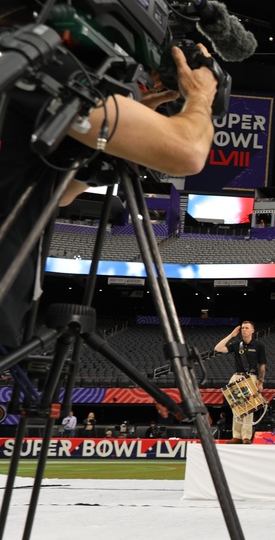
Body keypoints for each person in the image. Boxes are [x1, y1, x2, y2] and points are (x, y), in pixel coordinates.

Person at [0, 28, 218, 348]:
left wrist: (112, 146)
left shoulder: (14, 66)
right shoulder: (33, 61)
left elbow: (55, 194)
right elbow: (189, 150)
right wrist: (201, 97)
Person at [214, 321, 267, 444]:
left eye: (247, 328)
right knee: (236, 409)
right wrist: (231, 335)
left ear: (253, 330)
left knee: (249, 408)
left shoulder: (259, 346)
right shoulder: (237, 344)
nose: (244, 330)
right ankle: (236, 436)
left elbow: (263, 365)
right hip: (237, 377)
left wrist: (261, 382)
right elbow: (218, 348)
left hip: (251, 377)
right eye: (242, 328)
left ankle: (246, 436)